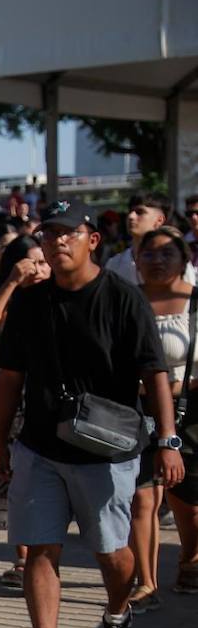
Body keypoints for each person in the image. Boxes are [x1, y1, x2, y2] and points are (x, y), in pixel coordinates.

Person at [0, 201, 178, 628]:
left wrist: (168, 439)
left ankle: (117, 612)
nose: (56, 242)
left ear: (91, 239)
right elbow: (10, 376)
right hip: (39, 446)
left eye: (66, 233)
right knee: (39, 548)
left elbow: (153, 372)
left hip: (106, 449)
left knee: (113, 553)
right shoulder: (32, 302)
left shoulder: (122, 297)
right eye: (48, 234)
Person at [0, 237, 49, 587]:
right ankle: (22, 560)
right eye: (31, 261)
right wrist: (12, 282)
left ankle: (38, 557)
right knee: (10, 482)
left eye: (43, 261)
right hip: (8, 400)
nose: (39, 268)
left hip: (45, 402)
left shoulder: (57, 295)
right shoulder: (6, 293)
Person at [129, 227, 198, 606]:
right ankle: (146, 581)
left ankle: (190, 557)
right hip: (138, 412)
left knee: (188, 503)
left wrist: (170, 390)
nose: (157, 261)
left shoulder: (195, 304)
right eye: (148, 254)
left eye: (166, 254)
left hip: (191, 411)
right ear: (136, 261)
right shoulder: (127, 301)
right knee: (143, 500)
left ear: (184, 260)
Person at [105, 193, 184, 285]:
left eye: (140, 212)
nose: (131, 216)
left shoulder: (177, 261)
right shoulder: (114, 264)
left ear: (159, 220)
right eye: (130, 211)